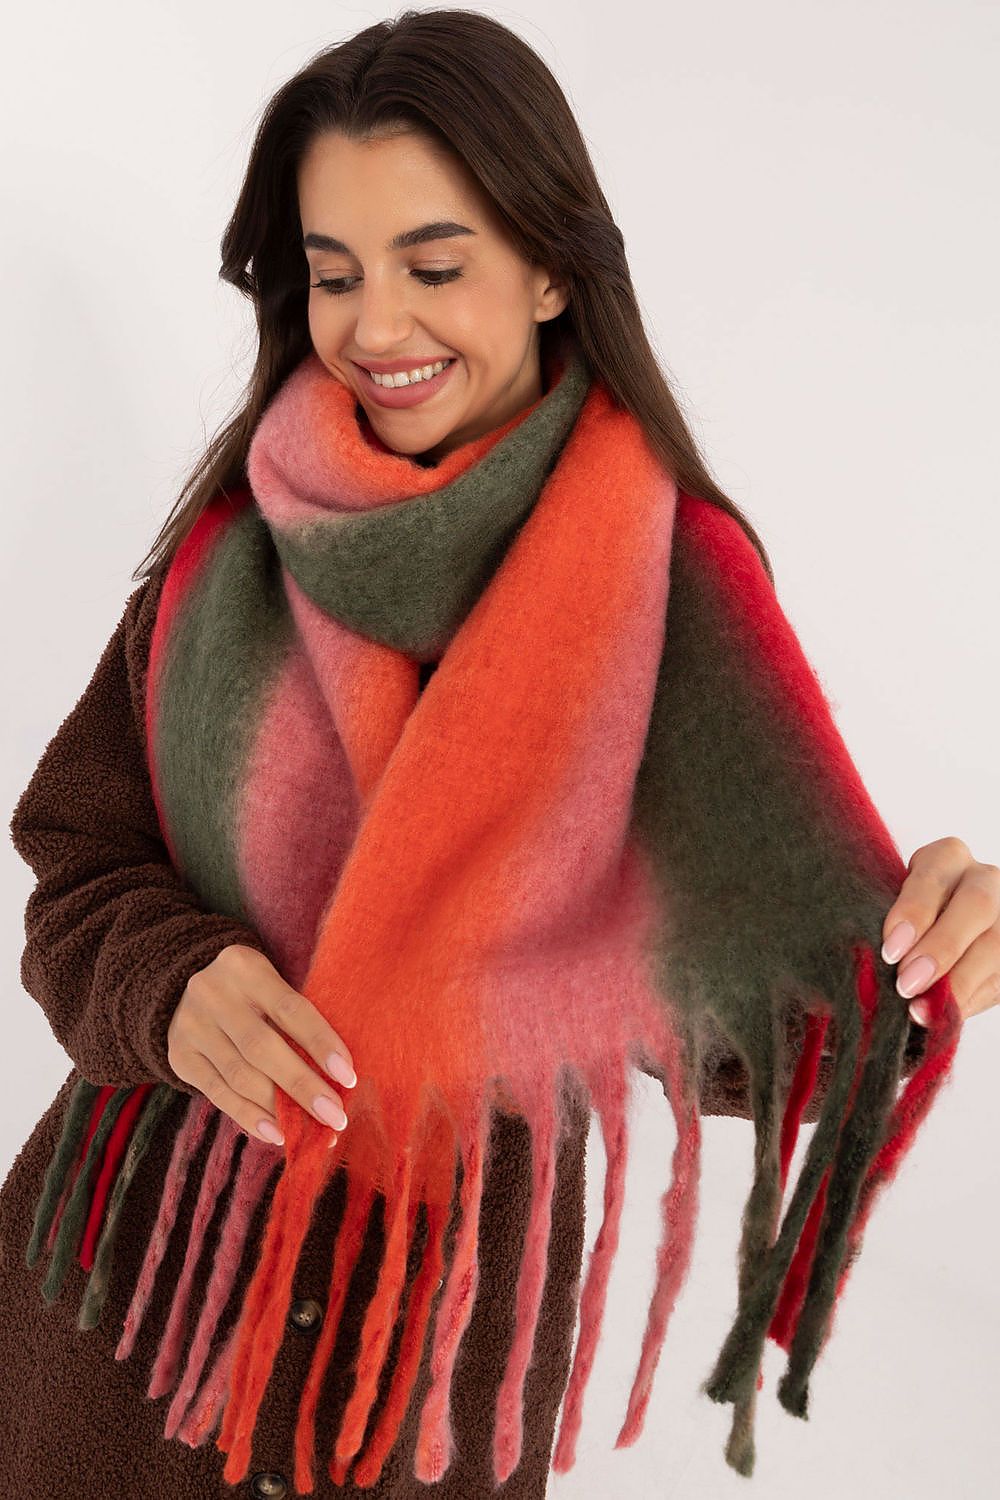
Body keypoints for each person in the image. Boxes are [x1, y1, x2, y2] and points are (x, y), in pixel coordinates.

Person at [2, 10, 996, 1498]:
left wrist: (925, 958)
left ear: (550, 268)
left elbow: (751, 1020)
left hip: (415, 1386)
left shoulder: (669, 602)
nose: (374, 329)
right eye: (335, 274)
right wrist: (168, 981)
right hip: (109, 1318)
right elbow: (76, 862)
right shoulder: (230, 555)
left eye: (433, 265)